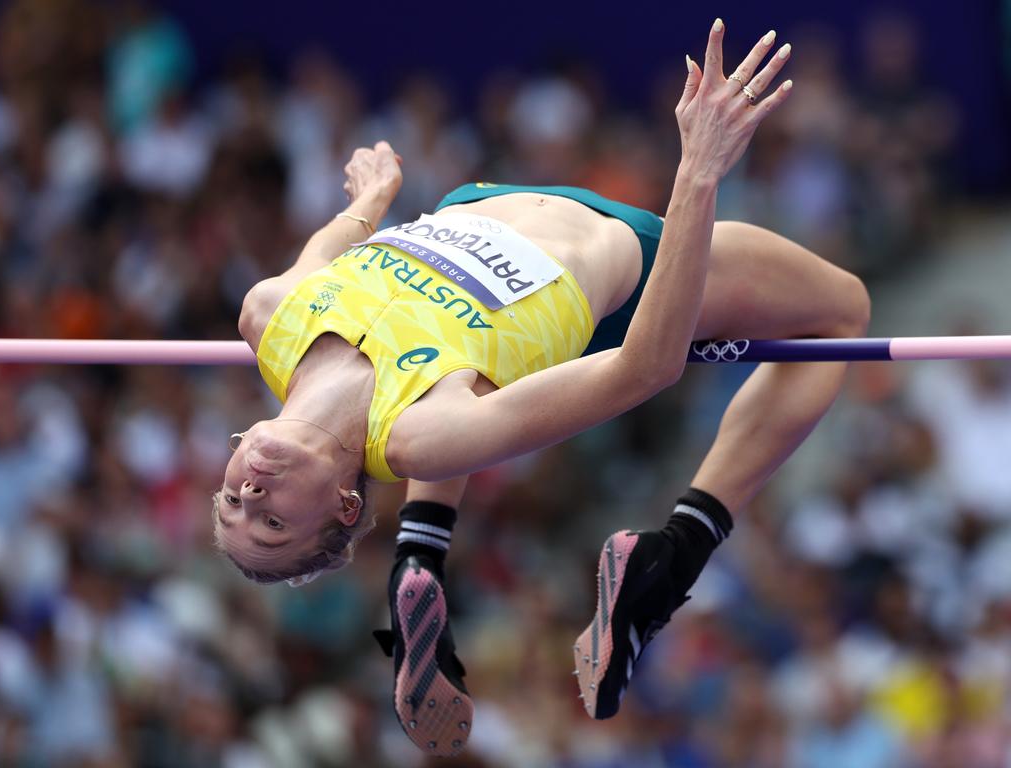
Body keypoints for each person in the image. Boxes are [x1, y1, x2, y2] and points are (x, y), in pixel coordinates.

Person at [213, 20, 870, 757]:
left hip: (476, 199)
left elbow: (322, 255)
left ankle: (422, 555)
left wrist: (370, 199)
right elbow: (645, 368)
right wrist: (698, 175)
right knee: (842, 313)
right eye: (271, 524)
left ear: (233, 457)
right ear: (344, 505)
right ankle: (679, 547)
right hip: (621, 261)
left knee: (441, 390)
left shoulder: (267, 320)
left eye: (232, 501)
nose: (252, 496)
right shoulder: (419, 436)